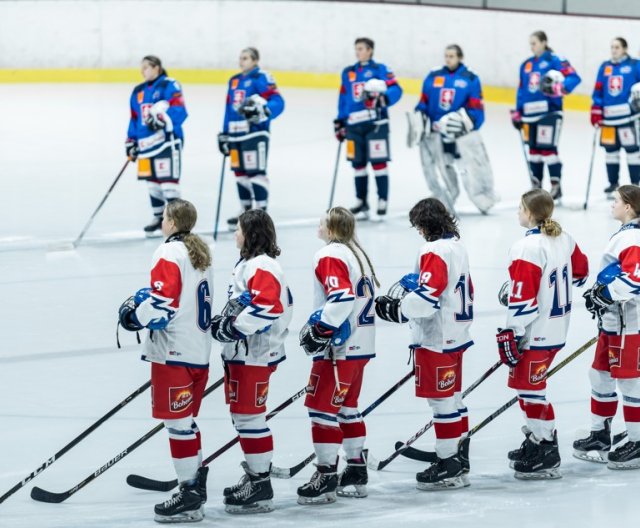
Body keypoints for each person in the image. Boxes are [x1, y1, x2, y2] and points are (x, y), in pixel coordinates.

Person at [117, 199, 213, 523]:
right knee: (186, 423)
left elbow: (163, 304)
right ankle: (195, 488)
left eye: (164, 217)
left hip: (174, 354)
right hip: (199, 351)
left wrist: (134, 316)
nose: (161, 221)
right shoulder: (200, 253)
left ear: (172, 222)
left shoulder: (168, 252)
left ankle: (188, 493)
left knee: (177, 425)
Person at [374, 197, 474, 490]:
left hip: (436, 338)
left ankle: (448, 462)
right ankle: (458, 454)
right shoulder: (457, 246)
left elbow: (428, 297)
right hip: (457, 334)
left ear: (423, 225)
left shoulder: (433, 250)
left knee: (441, 403)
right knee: (453, 398)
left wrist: (399, 309)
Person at [496, 189, 588, 479]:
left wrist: (512, 331)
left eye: (520, 208)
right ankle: (537, 440)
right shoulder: (564, 237)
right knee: (529, 389)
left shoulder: (527, 247)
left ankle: (547, 449)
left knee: (532, 391)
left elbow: (523, 299)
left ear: (529, 212)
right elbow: (581, 274)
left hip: (536, 332)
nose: (517, 213)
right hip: (556, 328)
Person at [210, 209, 293, 514]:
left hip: (253, 354)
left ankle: (260, 486)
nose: (235, 234)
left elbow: (269, 306)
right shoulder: (250, 263)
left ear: (252, 234)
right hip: (245, 353)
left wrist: (234, 327)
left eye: (239, 229)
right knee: (242, 417)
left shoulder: (261, 265)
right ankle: (255, 476)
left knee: (249, 418)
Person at [297, 206, 379, 504]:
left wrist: (321, 328)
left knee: (321, 410)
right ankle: (356, 469)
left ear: (331, 229)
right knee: (347, 407)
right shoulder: (356, 251)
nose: (317, 226)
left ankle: (326, 476)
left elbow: (341, 297)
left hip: (340, 348)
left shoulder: (331, 254)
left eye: (321, 223)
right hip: (361, 345)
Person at [575, 185, 640, 469]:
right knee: (599, 374)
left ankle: (638, 442)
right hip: (613, 323)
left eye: (616, 200)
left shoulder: (633, 237)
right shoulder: (625, 235)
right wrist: (600, 295)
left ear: (629, 207)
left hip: (630, 326)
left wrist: (603, 295)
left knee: (630, 381)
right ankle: (600, 435)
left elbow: (635, 278)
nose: (611, 204)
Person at [413, 44, 497, 214]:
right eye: (446, 55)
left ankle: (482, 200)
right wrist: (420, 115)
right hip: (436, 134)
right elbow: (423, 102)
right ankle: (445, 200)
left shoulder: (470, 78)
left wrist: (464, 122)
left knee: (468, 168)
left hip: (459, 136)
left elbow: (476, 109)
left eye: (452, 56)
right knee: (443, 167)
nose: (448, 59)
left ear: (460, 57)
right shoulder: (434, 75)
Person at [334, 37, 402, 220]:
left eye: (362, 48)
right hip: (354, 125)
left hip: (376, 124)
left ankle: (382, 199)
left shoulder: (381, 69)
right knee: (358, 164)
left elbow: (396, 89)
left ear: (370, 50)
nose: (358, 52)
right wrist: (340, 120)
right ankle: (361, 200)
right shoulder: (348, 72)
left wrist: (384, 99)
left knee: (378, 162)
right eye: (356, 48)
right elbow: (344, 97)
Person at [218, 48, 285, 227]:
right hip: (235, 134)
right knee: (240, 173)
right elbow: (228, 109)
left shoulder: (262, 77)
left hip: (255, 133)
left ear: (255, 60)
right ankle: (245, 211)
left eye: (245, 58)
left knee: (256, 172)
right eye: (240, 58)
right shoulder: (234, 81)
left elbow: (278, 101)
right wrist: (224, 133)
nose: (241, 61)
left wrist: (263, 110)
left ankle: (261, 213)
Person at [511, 31, 581, 200]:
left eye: (534, 43)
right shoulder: (526, 65)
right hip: (529, 114)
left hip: (549, 112)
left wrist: (562, 88)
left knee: (548, 150)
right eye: (530, 43)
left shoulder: (556, 60)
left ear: (543, 42)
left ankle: (556, 186)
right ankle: (536, 185)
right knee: (534, 151)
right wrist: (518, 111)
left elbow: (573, 77)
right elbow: (522, 90)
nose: (532, 46)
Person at [126, 56, 188, 234]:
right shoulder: (138, 90)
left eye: (146, 67)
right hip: (145, 145)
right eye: (141, 67)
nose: (142, 70)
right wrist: (131, 141)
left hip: (167, 143)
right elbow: (135, 119)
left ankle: (178, 221)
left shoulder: (169, 85)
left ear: (157, 68)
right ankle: (159, 217)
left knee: (169, 184)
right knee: (152, 183)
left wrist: (164, 120)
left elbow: (179, 109)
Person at [591, 37, 640, 196]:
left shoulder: (635, 65)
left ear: (625, 48)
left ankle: (635, 184)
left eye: (617, 47)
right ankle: (613, 183)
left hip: (629, 118)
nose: (614, 50)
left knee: (633, 152)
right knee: (611, 152)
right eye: (612, 47)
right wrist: (596, 108)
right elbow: (598, 90)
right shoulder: (605, 67)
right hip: (608, 119)